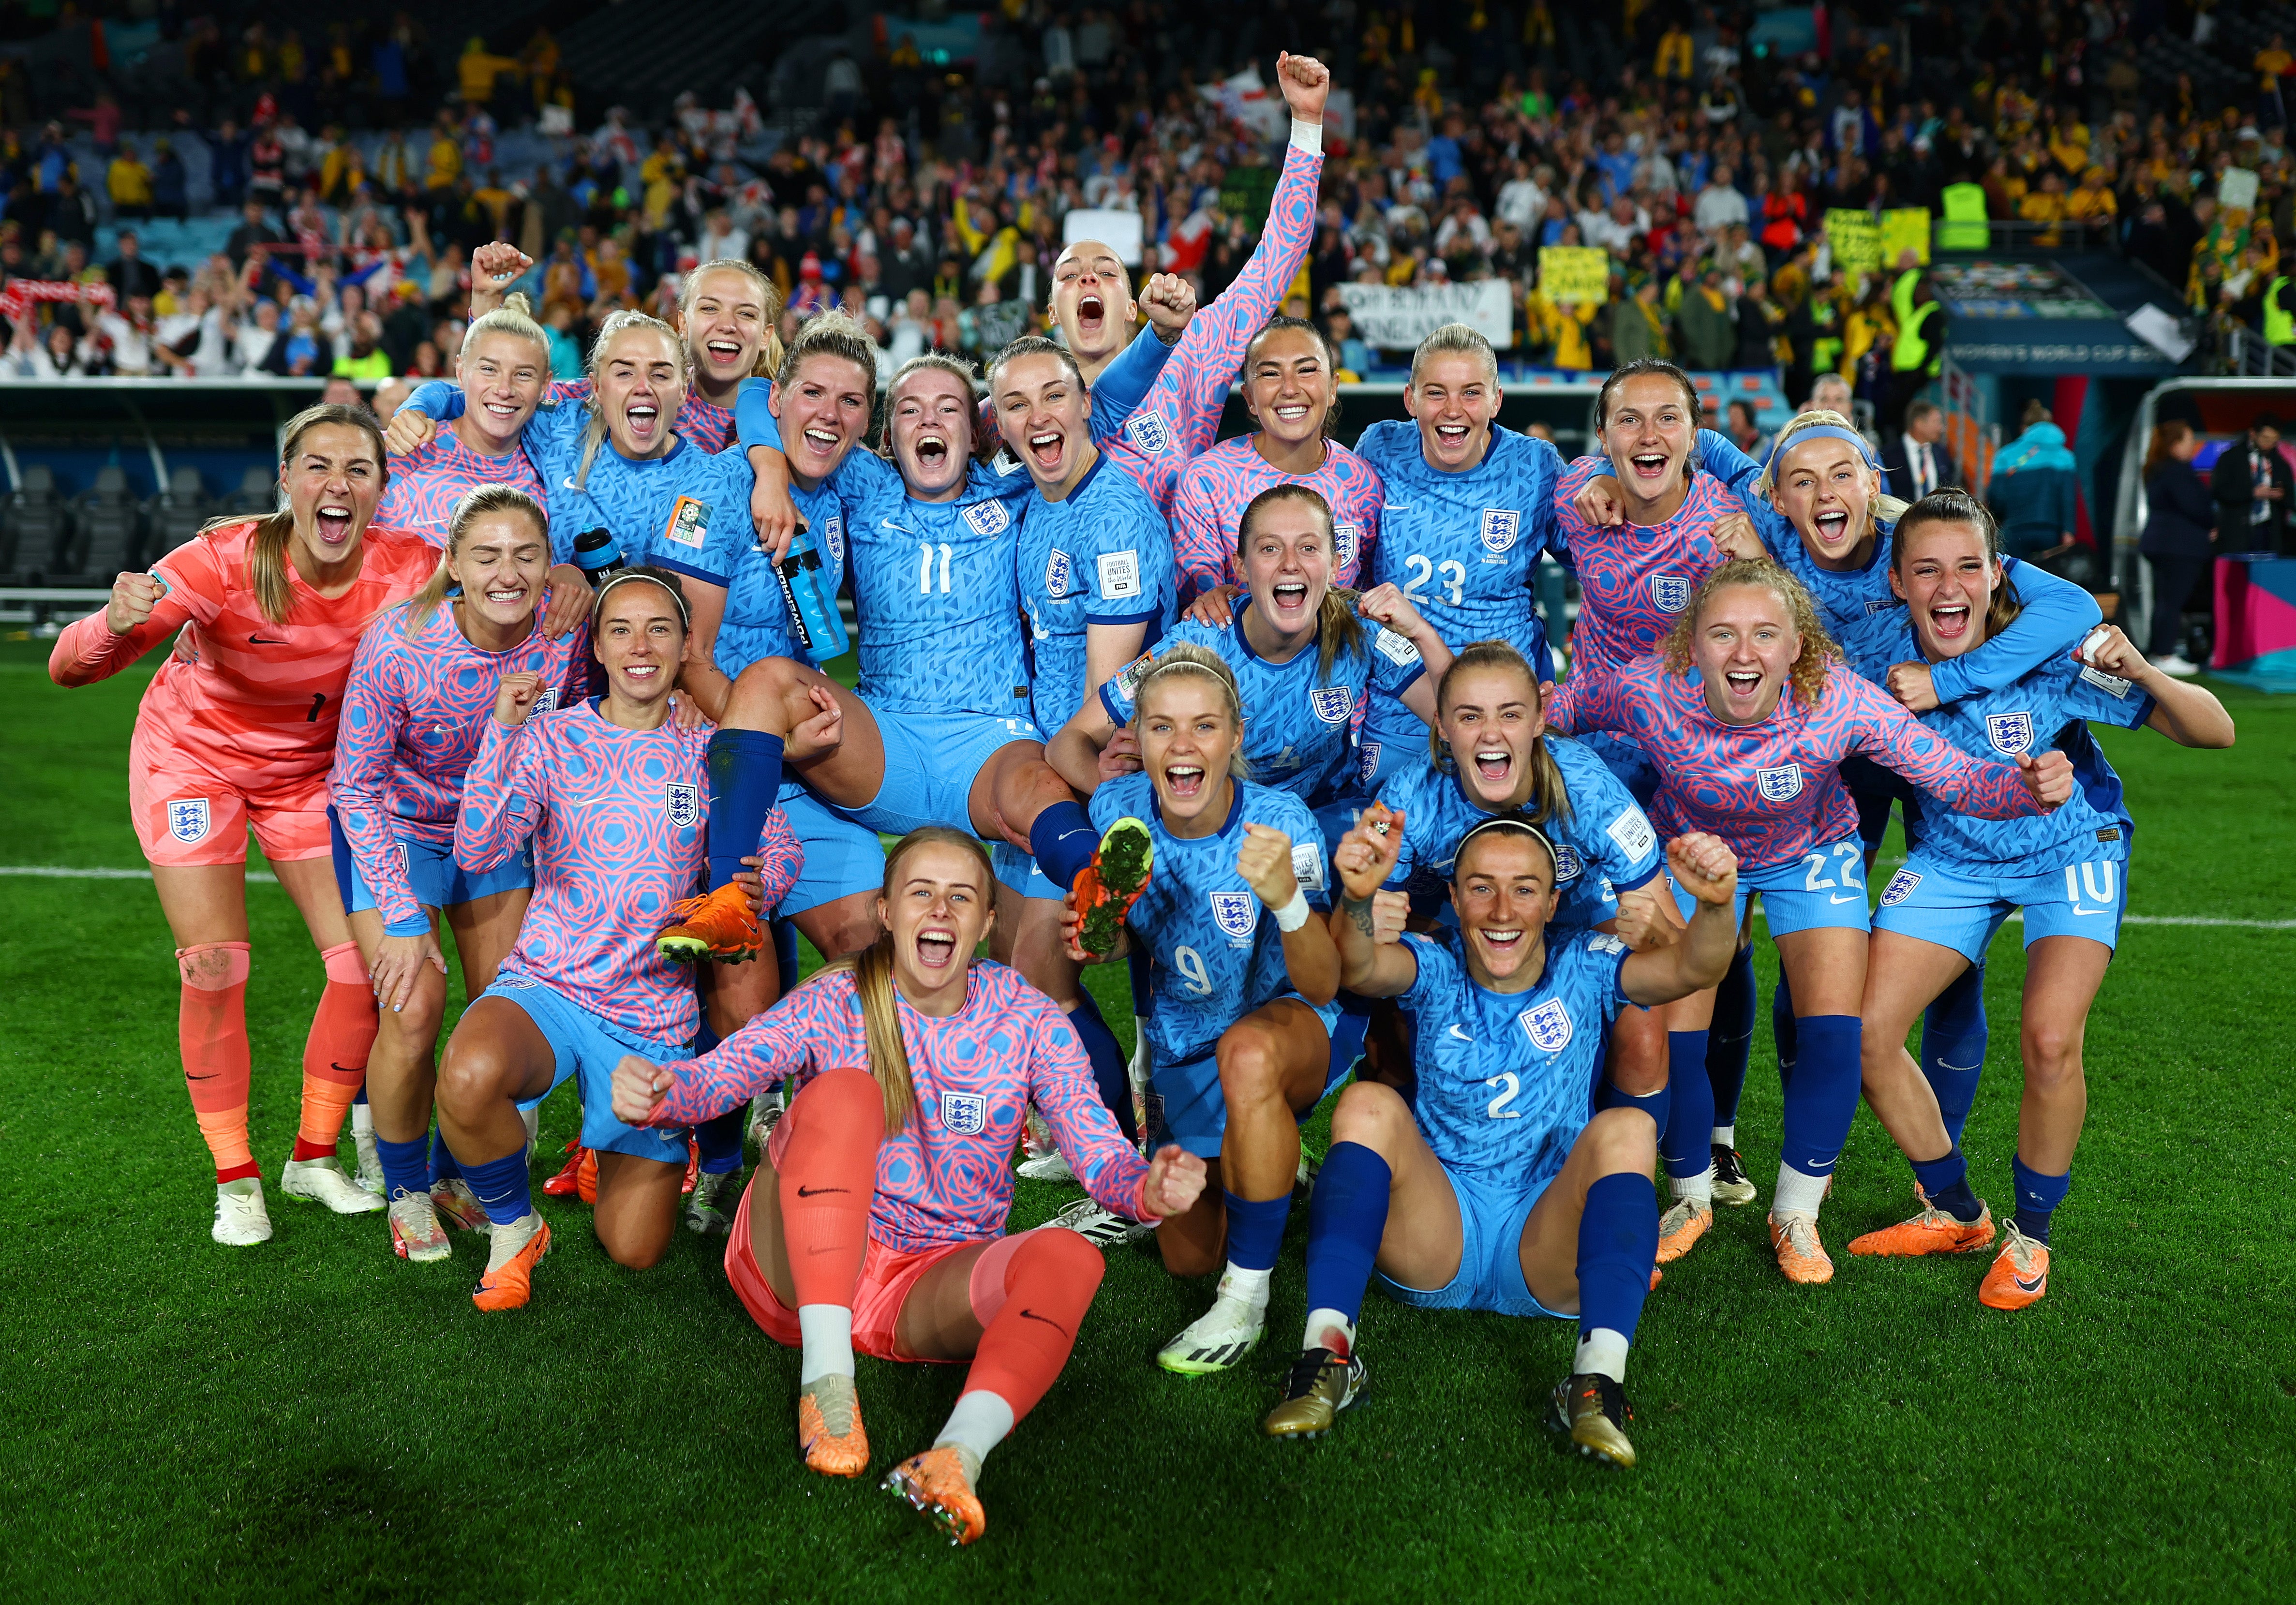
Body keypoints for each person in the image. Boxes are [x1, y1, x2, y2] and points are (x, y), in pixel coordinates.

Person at [607, 828, 1207, 1545]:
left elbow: (1100, 1154)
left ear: (987, 922)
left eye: (962, 897)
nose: (941, 910)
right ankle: (828, 1382)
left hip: (927, 1286)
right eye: (921, 892)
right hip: (795, 1270)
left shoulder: (1029, 1020)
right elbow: (730, 1070)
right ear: (887, 911)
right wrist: (665, 1089)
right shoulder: (836, 996)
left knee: (1072, 1256)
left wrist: (1147, 1189)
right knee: (847, 1096)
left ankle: (957, 1454)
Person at [1544, 559, 2073, 1282]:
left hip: (1809, 853)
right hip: (1693, 857)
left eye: (1765, 634)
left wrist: (2025, 788)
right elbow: (1559, 707)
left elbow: (1949, 773)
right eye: (1722, 634)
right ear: (1690, 647)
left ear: (1797, 647)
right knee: (1673, 1033)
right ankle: (1690, 1199)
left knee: (1834, 1029)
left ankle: (1795, 1213)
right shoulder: (1645, 689)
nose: (1743, 653)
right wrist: (1503, 717)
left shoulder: (1838, 699)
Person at [711, 327, 1147, 1148]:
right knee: (768, 678)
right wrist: (769, 465)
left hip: (992, 736)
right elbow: (752, 395)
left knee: (1036, 794)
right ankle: (730, 893)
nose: (928, 419)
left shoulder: (1014, 494)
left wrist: (1157, 335)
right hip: (891, 739)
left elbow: (1099, 411)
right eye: (909, 408)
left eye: (948, 406)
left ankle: (1095, 886)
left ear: (977, 429)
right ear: (889, 434)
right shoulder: (865, 486)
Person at [47, 404, 439, 1245]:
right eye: (318, 465)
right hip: (194, 763)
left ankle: (312, 1157)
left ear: (381, 487)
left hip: (307, 777)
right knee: (216, 966)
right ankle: (236, 1179)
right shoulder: (222, 561)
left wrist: (563, 583)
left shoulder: (410, 565)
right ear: (287, 480)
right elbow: (70, 667)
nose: (337, 483)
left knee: (363, 969)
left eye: (358, 469)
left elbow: (502, 581)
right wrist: (109, 625)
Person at [1847, 493, 2235, 1308]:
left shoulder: (2052, 656)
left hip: (2070, 852)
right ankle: (1957, 1210)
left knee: (2052, 1039)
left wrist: (2142, 667)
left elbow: (2213, 732)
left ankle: (2032, 1238)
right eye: (1926, 569)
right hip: (1951, 857)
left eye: (1966, 566)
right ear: (1898, 580)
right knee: (1865, 1032)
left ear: (1996, 576)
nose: (1947, 585)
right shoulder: (1877, 662)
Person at [1268, 814, 1742, 1465]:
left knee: (1627, 1128)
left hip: (1547, 1241)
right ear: (1456, 896)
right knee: (1367, 1103)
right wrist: (1355, 897)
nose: (1501, 909)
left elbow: (1694, 967)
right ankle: (1327, 1359)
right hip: (1438, 1232)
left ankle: (1595, 1383)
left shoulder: (1587, 963)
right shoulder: (1432, 965)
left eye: (1523, 889)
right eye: (1481, 886)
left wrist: (1715, 905)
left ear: (1552, 902)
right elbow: (1358, 965)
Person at [434, 567, 802, 1310]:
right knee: (469, 1073)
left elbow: (780, 845)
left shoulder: (708, 748)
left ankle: (608, 1146)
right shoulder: (552, 734)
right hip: (550, 985)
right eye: (620, 630)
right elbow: (475, 852)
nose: (640, 646)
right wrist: (500, 732)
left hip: (651, 1015)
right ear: (596, 647)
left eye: (658, 629)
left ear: (683, 643)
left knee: (636, 1250)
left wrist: (759, 886)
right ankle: (515, 1230)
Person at [1064, 645, 1342, 1373]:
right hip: (1182, 1049)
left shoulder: (1282, 823)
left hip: (1289, 1030)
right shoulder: (1115, 807)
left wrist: (1284, 897)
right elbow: (1130, 929)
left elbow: (1322, 980)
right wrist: (1100, 938)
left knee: (1246, 1056)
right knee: (1185, 1254)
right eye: (1161, 727)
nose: (1182, 746)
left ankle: (1245, 1299)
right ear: (1138, 740)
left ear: (1234, 737)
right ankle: (1275, 1157)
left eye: (1203, 727)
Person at [328, 486, 586, 1259]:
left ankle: (450, 1173)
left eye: (525, 555)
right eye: (486, 555)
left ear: (549, 564)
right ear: (452, 565)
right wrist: (406, 920)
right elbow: (355, 785)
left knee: (502, 1011)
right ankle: (405, 1194)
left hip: (498, 828)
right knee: (412, 1007)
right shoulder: (400, 642)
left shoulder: (564, 634)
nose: (507, 573)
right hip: (397, 826)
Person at [1548, 359, 1759, 1218]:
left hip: (1701, 760)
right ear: (1602, 437)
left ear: (1694, 436)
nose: (1647, 435)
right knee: (1607, 933)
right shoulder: (1572, 496)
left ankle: (1715, 1136)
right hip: (1601, 750)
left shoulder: (1727, 521)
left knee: (1717, 940)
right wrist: (1593, 480)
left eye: (1666, 419)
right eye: (1627, 421)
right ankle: (1610, 1125)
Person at [1053, 485, 1449, 856]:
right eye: (1270, 549)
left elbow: (1464, 724)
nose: (1290, 564)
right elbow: (1068, 742)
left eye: (1308, 548)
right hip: (1227, 831)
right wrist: (1105, 782)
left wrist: (1421, 632)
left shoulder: (1359, 628)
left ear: (1335, 564)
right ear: (1241, 568)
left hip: (1329, 820)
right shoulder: (1195, 644)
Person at [1048, 52, 1329, 518]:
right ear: (1053, 310)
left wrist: (1305, 122)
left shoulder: (1192, 348)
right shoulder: (1032, 389)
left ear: (1133, 307)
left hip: (1187, 588)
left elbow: (1277, 260)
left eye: (1107, 270)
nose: (1088, 276)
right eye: (1069, 274)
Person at [1352, 323, 1563, 797]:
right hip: (1399, 706)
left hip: (1502, 711)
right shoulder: (1379, 448)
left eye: (1471, 393)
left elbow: (1598, 561)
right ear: (1409, 399)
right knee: (1389, 847)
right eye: (1435, 393)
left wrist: (1603, 483)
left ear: (1496, 400)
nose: (1452, 411)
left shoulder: (1536, 465)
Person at [372, 292, 596, 636]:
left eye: (523, 374)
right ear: (461, 371)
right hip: (396, 670)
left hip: (515, 677)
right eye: (489, 369)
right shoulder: (404, 449)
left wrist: (569, 573)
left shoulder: (553, 474)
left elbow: (548, 573)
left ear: (545, 386)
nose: (504, 389)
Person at [464, 244, 786, 455]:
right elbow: (508, 395)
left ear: (766, 336)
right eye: (710, 309)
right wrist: (485, 297)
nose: (727, 324)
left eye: (746, 313)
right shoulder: (631, 388)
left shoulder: (786, 417)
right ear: (684, 325)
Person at [1168, 316, 1383, 601]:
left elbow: (1366, 596)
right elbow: (1206, 603)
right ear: (1249, 398)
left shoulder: (1362, 482)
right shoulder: (1205, 481)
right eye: (1270, 374)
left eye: (1306, 370)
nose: (1290, 389)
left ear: (1333, 388)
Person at [2137, 419, 2215, 676]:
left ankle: (2158, 650)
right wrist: (2214, 523)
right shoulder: (2177, 471)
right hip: (2179, 546)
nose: (2193, 447)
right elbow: (2195, 506)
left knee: (2164, 601)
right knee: (2171, 602)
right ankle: (2165, 654)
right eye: (2189, 441)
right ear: (2175, 444)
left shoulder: (2156, 469)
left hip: (2161, 544)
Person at [1984, 402, 2078, 565]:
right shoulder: (2065, 457)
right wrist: (2068, 531)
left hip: (2015, 530)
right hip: (2051, 533)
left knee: (2015, 582)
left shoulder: (2005, 456)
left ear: (2024, 428)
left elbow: (1996, 496)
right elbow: (2068, 498)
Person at [2209, 411, 2293, 557]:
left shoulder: (2280, 463)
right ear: (2253, 433)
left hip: (2268, 531)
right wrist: (2252, 493)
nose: (2269, 445)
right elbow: (2220, 490)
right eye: (2266, 438)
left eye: (2274, 441)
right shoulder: (2231, 458)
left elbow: (2290, 498)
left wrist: (2281, 495)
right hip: (2238, 531)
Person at [1882, 400, 1958, 503]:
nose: (1942, 428)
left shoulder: (1941, 452)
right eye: (1936, 422)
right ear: (1919, 424)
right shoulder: (1889, 455)